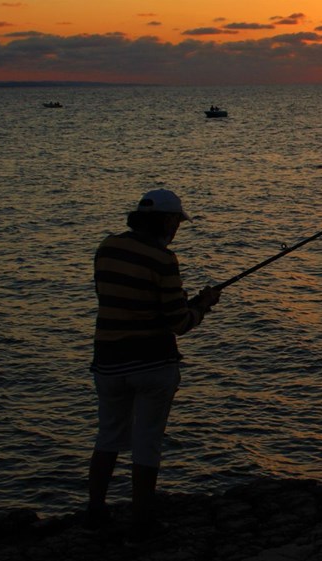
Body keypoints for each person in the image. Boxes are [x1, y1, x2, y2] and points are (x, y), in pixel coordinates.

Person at [83, 188, 221, 541]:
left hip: (108, 362)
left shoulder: (107, 248)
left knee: (108, 436)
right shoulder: (163, 259)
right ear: (166, 221)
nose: (177, 228)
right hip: (151, 363)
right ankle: (142, 519)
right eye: (176, 221)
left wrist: (176, 305)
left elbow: (122, 299)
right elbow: (179, 323)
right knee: (146, 441)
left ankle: (95, 510)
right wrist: (203, 305)